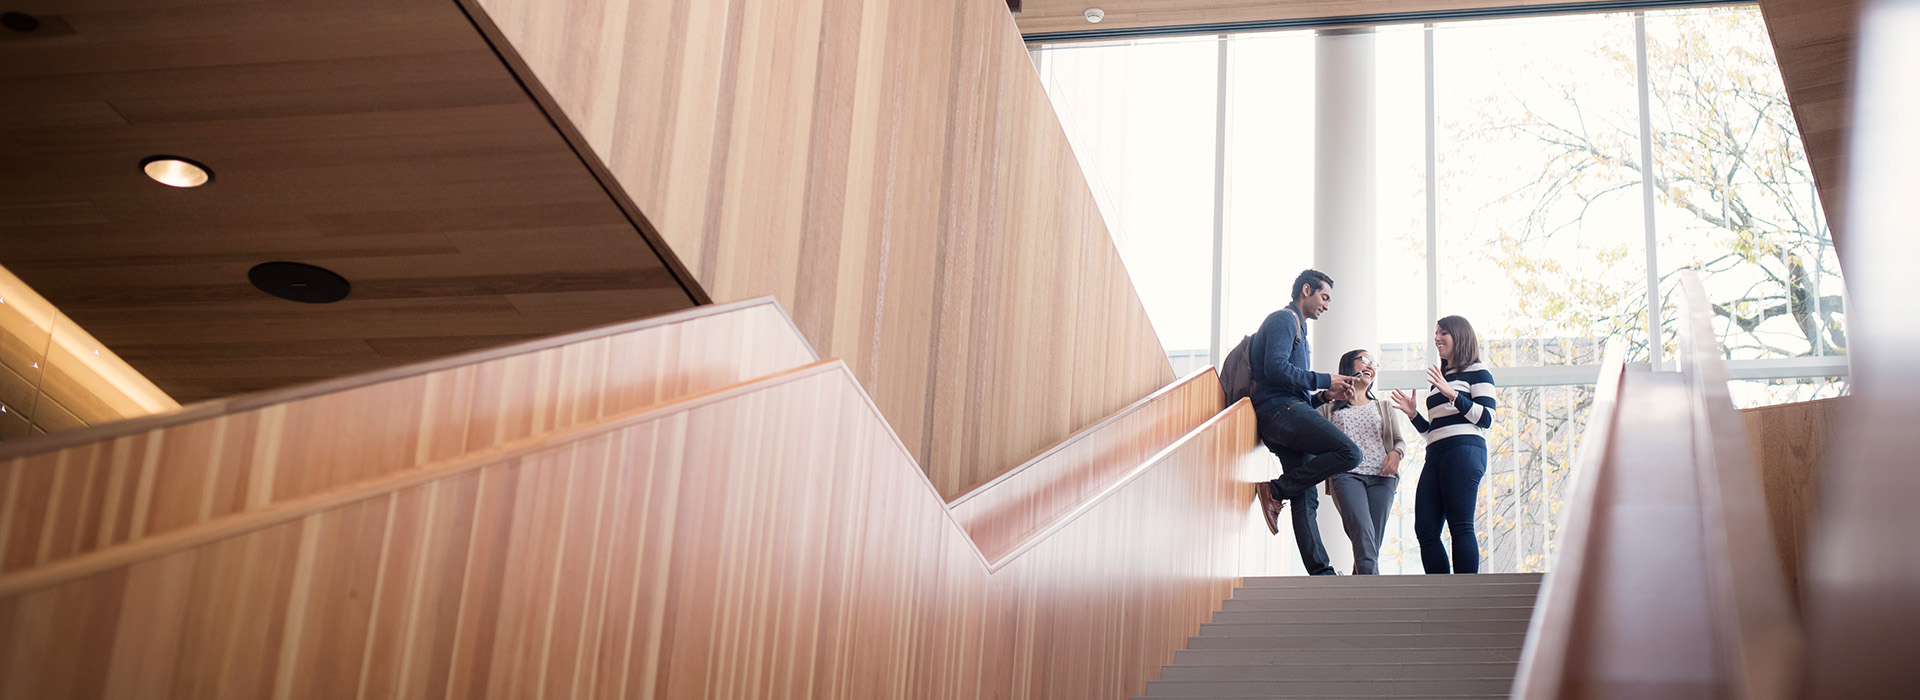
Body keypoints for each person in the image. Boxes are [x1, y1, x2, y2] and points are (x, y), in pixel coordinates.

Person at [1251, 269, 1364, 576]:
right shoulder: (1283, 320)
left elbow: (1295, 391)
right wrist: (1326, 377)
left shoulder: (1298, 328)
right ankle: (1275, 490)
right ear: (1306, 290)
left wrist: (1325, 394)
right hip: (1278, 413)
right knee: (1351, 453)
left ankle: (1321, 573)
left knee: (1306, 496)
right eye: (1324, 297)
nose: (1326, 306)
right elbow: (1275, 370)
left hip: (1287, 411)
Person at [1391, 315, 1497, 574]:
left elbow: (1486, 418)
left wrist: (1452, 394)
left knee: (1460, 524)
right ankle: (1440, 590)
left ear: (1459, 336)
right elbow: (1434, 433)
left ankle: (1465, 595)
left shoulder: (1478, 373)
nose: (1437, 338)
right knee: (1425, 529)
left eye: (1443, 333)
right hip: (1436, 453)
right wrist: (1414, 415)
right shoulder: (1441, 378)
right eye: (1436, 333)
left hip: (1465, 450)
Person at [1318, 349, 1408, 575]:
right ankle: (1374, 600)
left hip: (1382, 478)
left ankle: (1356, 593)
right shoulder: (1328, 408)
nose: (1371, 366)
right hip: (1346, 476)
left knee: (1369, 544)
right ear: (1349, 365)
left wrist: (1396, 454)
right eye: (1364, 360)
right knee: (1363, 532)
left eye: (1374, 363)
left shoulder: (1384, 407)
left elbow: (1399, 441)